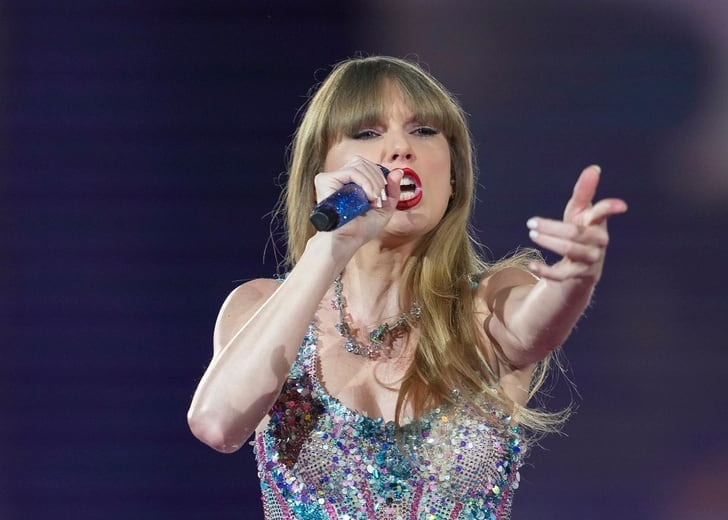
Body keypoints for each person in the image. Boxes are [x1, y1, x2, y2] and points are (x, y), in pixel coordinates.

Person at [187, 55, 627, 519]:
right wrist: (328, 247)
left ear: (454, 175)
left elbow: (540, 317)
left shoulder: (487, 304)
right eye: (368, 133)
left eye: (423, 131)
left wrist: (578, 275)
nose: (400, 149)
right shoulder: (260, 307)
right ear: (322, 171)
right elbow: (217, 425)